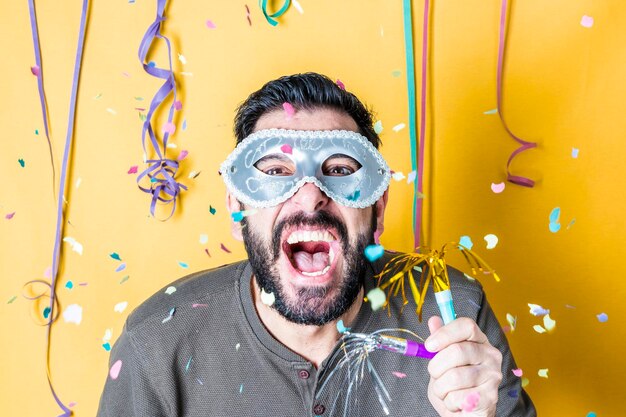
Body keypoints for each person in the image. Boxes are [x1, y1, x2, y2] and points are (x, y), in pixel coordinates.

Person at [97, 72, 535, 416]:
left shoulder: (452, 312)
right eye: (274, 171)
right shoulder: (157, 343)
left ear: (378, 210)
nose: (309, 195)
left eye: (341, 169)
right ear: (237, 208)